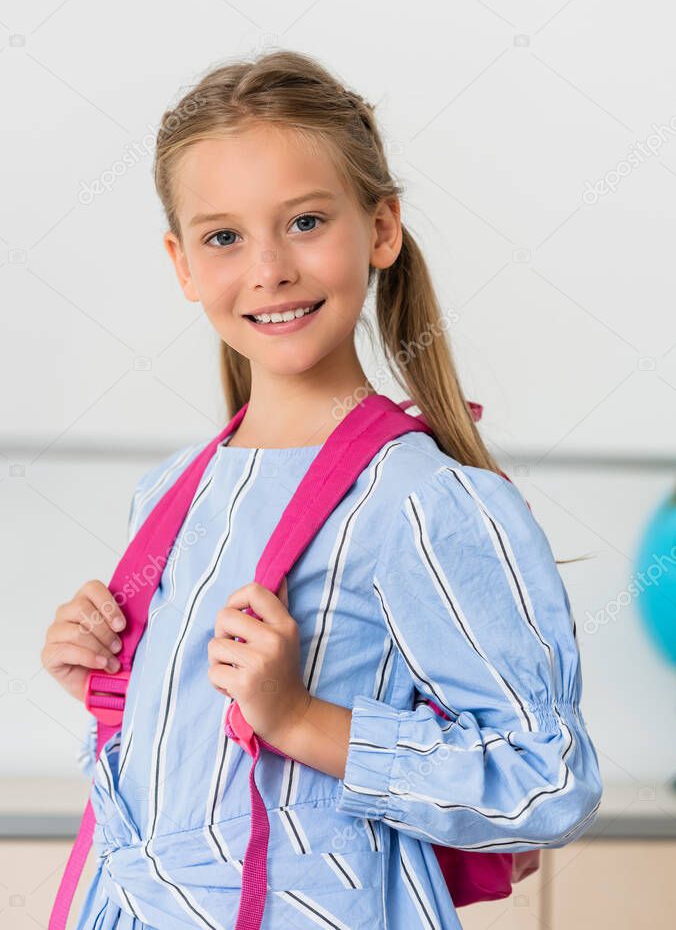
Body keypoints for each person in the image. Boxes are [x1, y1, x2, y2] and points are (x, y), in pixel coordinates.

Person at [41, 49, 603, 930]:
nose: (267, 268)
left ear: (380, 228)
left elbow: (547, 780)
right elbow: (192, 804)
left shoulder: (424, 502)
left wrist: (299, 717)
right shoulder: (167, 495)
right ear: (182, 263)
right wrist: (114, 682)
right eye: (223, 236)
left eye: (304, 221)